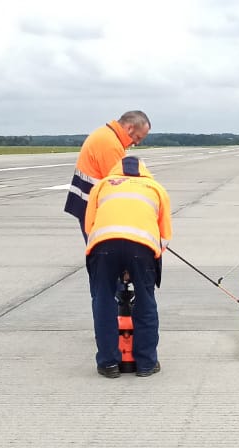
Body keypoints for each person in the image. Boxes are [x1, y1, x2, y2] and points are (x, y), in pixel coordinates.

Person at [83, 156, 171, 378]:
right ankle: (146, 363)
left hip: (103, 245)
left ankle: (108, 363)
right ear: (144, 171)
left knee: (103, 302)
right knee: (146, 301)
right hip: (142, 248)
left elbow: (88, 226)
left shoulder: (101, 186)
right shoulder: (156, 188)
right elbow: (165, 238)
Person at [65, 111, 151, 242]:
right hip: (94, 210)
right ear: (130, 128)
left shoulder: (106, 134)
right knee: (101, 254)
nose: (137, 143)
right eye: (138, 137)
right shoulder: (110, 144)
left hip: (87, 204)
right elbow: (118, 185)